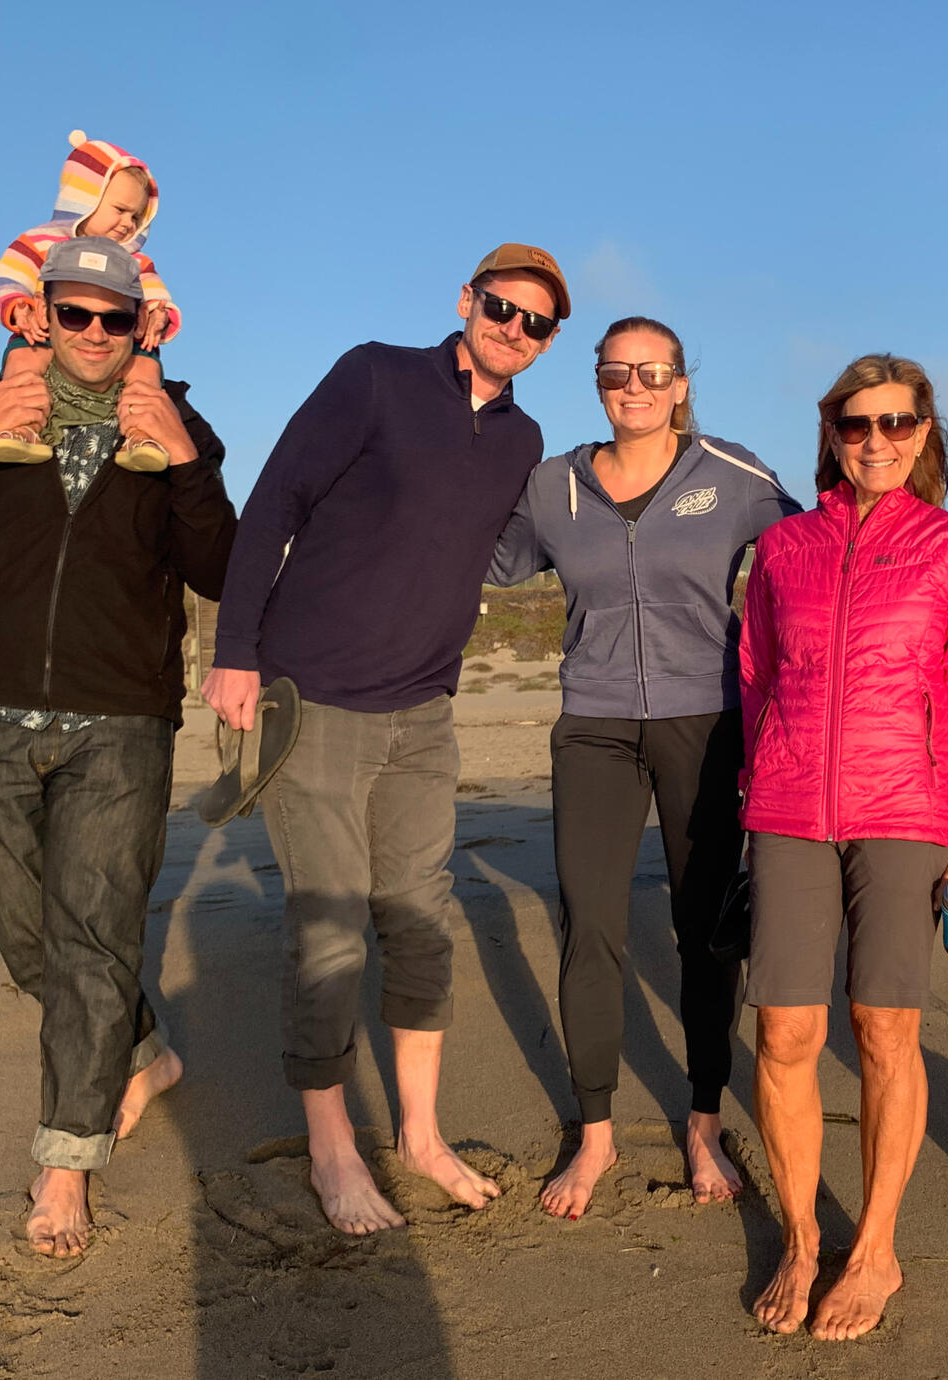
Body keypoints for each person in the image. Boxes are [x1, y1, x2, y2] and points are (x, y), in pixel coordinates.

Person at [0, 236, 237, 1257]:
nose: (90, 335)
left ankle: (65, 1164)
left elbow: (224, 569)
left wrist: (183, 455)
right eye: (71, 314)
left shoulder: (176, 424)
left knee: (90, 940)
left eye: (110, 319)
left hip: (122, 723)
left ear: (139, 327)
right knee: (16, 915)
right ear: (38, 314)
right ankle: (137, 1050)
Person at [202, 243, 570, 1235]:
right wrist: (234, 649)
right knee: (329, 929)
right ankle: (331, 1148)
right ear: (467, 300)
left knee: (417, 920)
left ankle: (419, 1132)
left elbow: (515, 551)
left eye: (537, 323)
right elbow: (273, 499)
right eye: (502, 308)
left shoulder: (524, 440)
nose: (514, 329)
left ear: (548, 343)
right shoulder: (375, 374)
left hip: (422, 714)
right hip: (312, 697)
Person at [488, 316, 800, 1218]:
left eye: (653, 371)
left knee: (703, 924)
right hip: (593, 725)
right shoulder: (553, 487)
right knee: (590, 923)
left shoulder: (732, 476)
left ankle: (702, 1118)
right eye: (617, 371)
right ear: (597, 382)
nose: (636, 385)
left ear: (680, 384)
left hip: (704, 721)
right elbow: (484, 556)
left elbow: (809, 556)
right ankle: (595, 1134)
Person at [738, 355, 948, 1340]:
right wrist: (755, 791)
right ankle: (804, 1240)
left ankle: (876, 1248)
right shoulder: (784, 547)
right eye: (858, 427)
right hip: (791, 810)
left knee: (884, 1031)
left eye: (896, 424)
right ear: (833, 436)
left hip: (908, 811)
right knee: (785, 1036)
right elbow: (758, 678)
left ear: (925, 432)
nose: (877, 442)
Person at [0, 130, 179, 471]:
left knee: (145, 370)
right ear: (84, 198)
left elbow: (154, 289)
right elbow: (9, 274)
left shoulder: (132, 260)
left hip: (121, 347)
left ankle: (141, 437)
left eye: (135, 217)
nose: (126, 223)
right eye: (119, 210)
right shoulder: (41, 242)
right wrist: (17, 306)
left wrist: (158, 314)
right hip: (42, 334)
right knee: (22, 366)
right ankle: (20, 430)